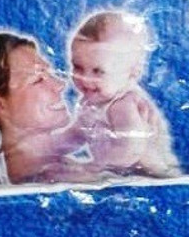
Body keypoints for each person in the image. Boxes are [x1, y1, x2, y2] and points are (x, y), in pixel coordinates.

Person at [66, 11, 181, 178]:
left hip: (153, 174)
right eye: (77, 67)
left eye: (98, 71)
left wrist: (90, 164)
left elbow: (130, 150)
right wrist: (55, 148)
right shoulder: (92, 100)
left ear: (133, 73)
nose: (85, 78)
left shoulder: (123, 103)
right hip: (119, 172)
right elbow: (75, 133)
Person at [0, 33, 73, 184]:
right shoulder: (39, 180)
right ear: (0, 104)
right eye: (38, 80)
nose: (60, 85)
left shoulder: (63, 168)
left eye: (50, 74)